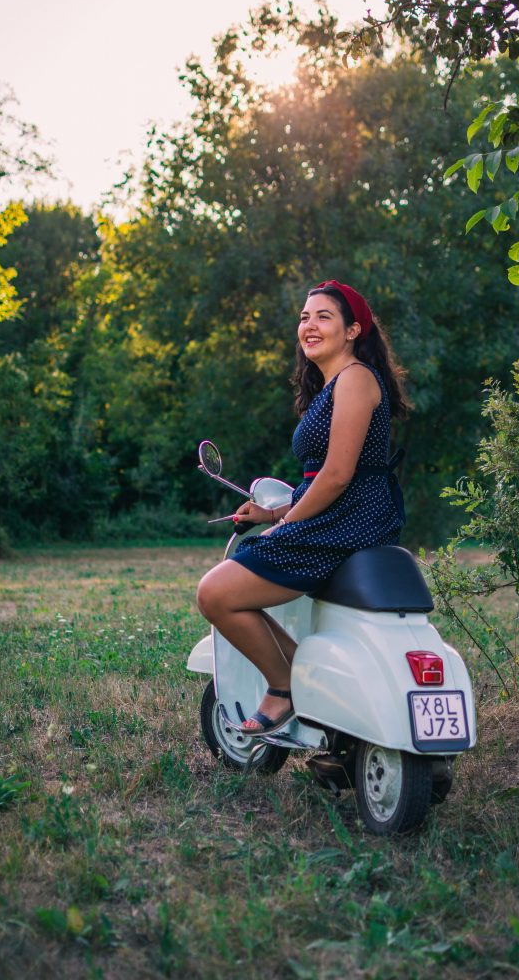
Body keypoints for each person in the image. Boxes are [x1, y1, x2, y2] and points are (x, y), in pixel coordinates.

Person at [196, 280, 410, 736]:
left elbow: (337, 476)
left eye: (323, 317)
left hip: (349, 520)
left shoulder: (354, 378)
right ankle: (307, 680)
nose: (309, 326)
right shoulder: (333, 385)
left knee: (216, 593)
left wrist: (286, 525)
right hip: (341, 514)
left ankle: (286, 685)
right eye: (303, 317)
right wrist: (271, 515)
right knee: (222, 591)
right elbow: (322, 477)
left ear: (353, 330)